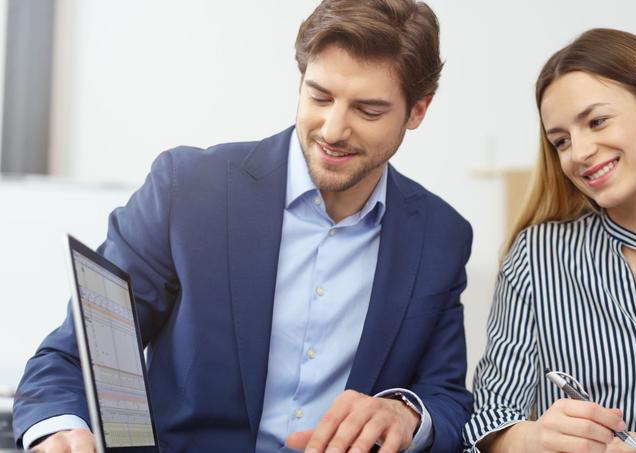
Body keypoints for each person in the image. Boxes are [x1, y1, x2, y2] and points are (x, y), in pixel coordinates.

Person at [12, 1, 474, 451]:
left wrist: (407, 414)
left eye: (368, 110)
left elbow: (447, 398)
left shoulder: (441, 237)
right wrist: (60, 432)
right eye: (319, 96)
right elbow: (73, 357)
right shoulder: (187, 190)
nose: (333, 129)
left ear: (417, 111)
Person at [463, 28, 636, 453]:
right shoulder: (536, 256)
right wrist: (530, 438)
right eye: (561, 141)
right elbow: (486, 423)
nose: (579, 153)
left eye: (597, 121)